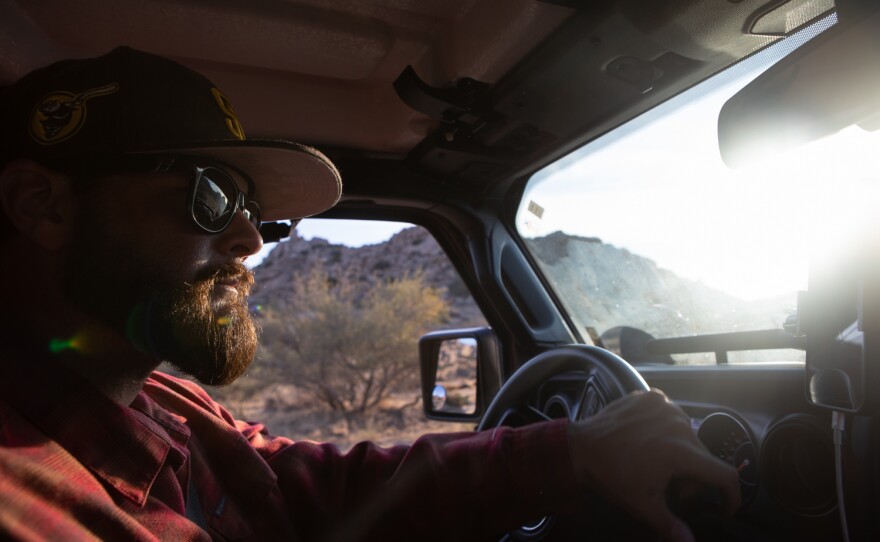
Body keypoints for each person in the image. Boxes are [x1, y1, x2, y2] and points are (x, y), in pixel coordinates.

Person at [0, 47, 738, 541]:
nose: (251, 240)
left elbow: (302, 488)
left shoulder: (163, 404)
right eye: (214, 195)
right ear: (45, 205)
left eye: (259, 215)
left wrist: (571, 452)